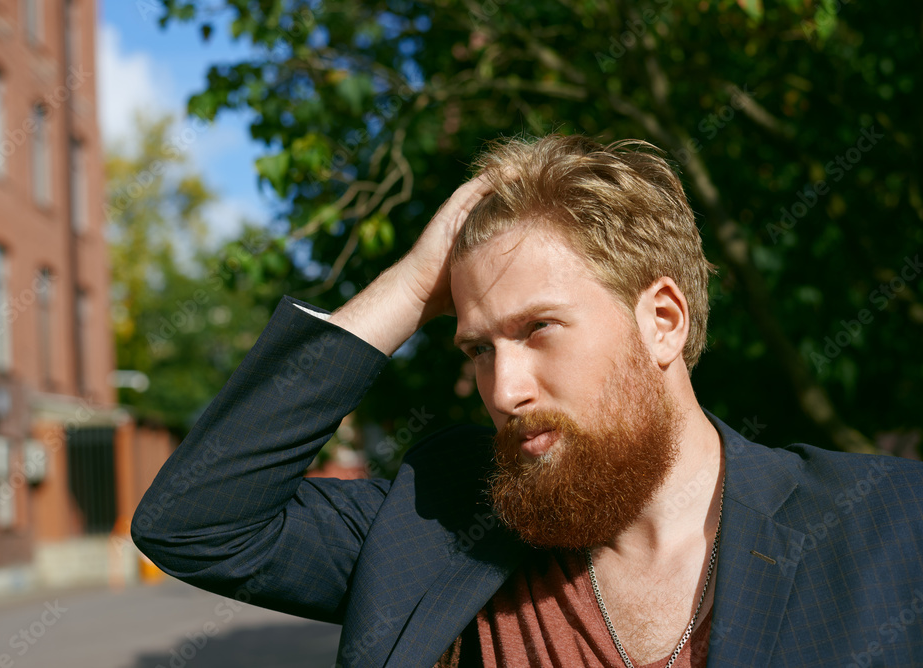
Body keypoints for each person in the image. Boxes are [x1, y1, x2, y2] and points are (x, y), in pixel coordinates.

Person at [131, 134, 923, 667]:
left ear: (663, 321)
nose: (504, 390)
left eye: (539, 328)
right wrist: (411, 285)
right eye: (479, 348)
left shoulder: (887, 526)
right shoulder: (438, 523)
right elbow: (194, 523)